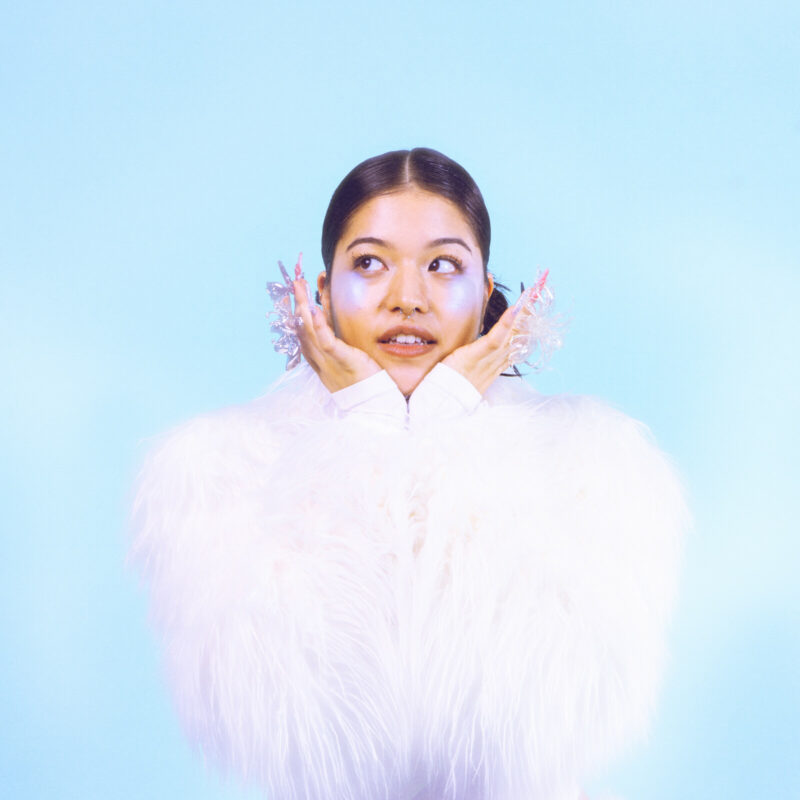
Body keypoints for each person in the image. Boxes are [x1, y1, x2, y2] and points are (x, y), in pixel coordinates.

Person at [129, 148, 687, 800]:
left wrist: (441, 419)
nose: (407, 299)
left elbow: (535, 727)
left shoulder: (593, 463)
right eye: (370, 263)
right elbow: (298, 732)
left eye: (442, 265)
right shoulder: (218, 470)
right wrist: (371, 423)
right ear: (323, 292)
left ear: (485, 295)